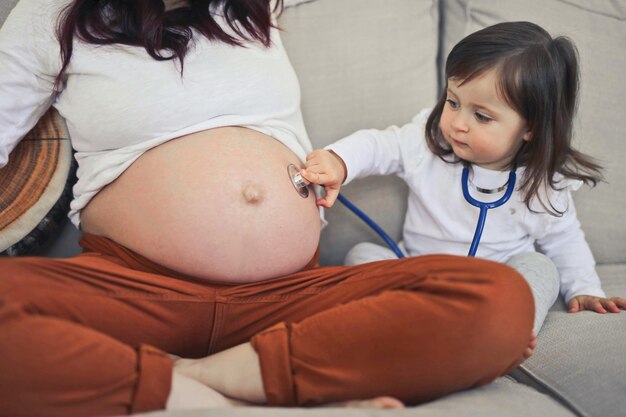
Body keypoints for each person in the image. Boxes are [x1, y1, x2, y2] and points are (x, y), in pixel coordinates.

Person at [0, 1, 536, 416]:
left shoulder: (255, 7)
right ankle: (226, 398)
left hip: (289, 297)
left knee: (498, 298)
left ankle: (195, 377)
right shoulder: (53, 15)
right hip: (132, 290)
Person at [301, 21, 626, 336]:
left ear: (531, 127)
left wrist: (584, 288)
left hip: (495, 290)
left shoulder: (544, 185)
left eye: (481, 116)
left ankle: (509, 330)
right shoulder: (426, 146)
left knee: (541, 267)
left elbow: (564, 240)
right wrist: (339, 160)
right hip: (415, 274)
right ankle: (405, 317)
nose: (458, 123)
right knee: (362, 255)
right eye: (453, 102)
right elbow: (378, 145)